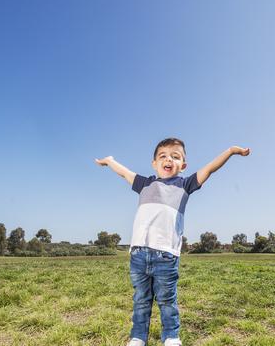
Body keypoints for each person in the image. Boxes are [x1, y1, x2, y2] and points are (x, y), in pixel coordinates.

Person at [95, 137, 250, 346]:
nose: (169, 159)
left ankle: (171, 337)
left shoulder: (185, 184)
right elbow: (123, 172)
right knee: (141, 300)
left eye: (175, 157)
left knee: (167, 300)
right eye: (163, 156)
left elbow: (210, 168)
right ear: (154, 163)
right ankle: (138, 337)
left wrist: (231, 151)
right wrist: (110, 161)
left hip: (166, 256)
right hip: (139, 254)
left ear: (183, 165)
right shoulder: (144, 183)